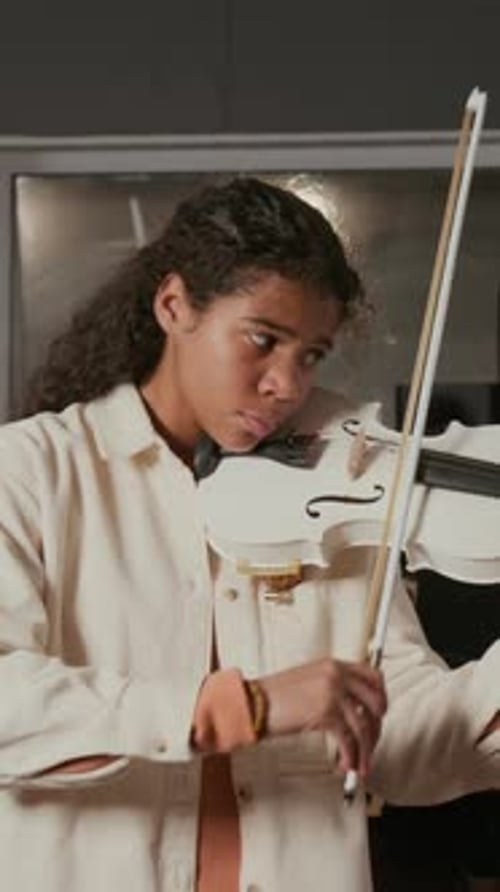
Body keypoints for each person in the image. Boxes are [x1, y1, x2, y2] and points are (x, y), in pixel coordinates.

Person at [0, 176, 498, 892]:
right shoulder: (30, 471)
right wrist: (242, 707)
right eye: (263, 340)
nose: (287, 386)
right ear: (174, 305)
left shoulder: (332, 495)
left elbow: (399, 739)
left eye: (312, 355)